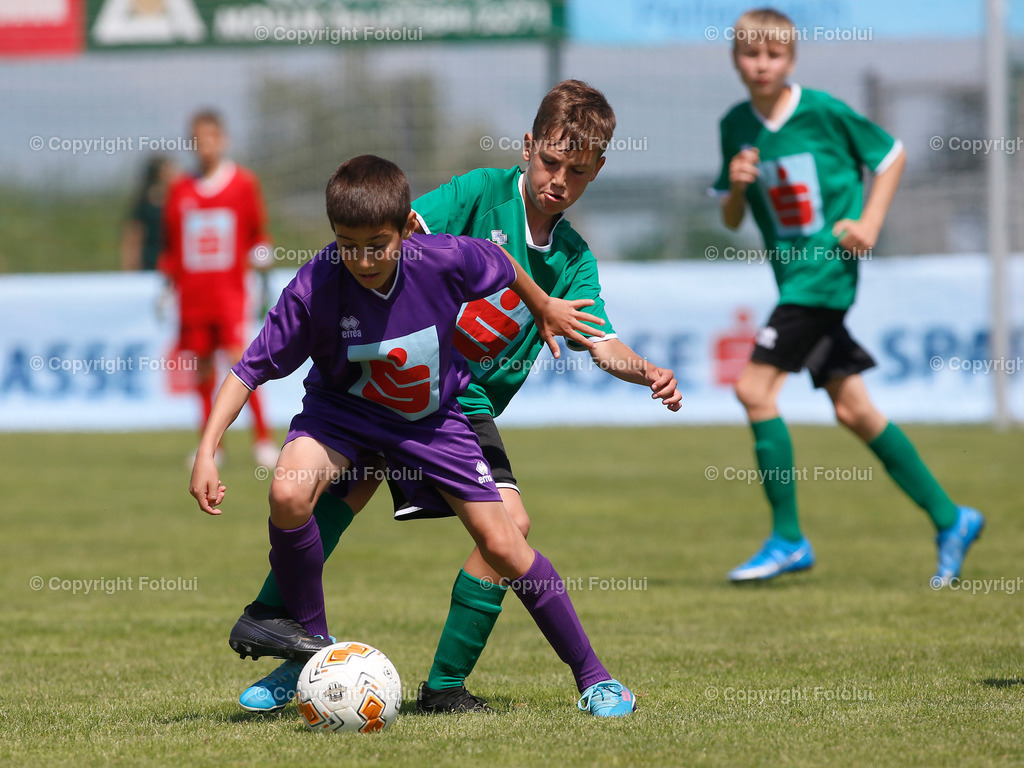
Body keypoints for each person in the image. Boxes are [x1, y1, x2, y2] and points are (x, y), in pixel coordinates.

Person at [229, 80, 682, 715]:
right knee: (335, 497)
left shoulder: (575, 260)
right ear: (527, 147)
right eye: (551, 162)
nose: (559, 180)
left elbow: (600, 342)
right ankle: (306, 659)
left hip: (458, 408)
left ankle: (441, 685)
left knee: (505, 531)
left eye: (577, 171)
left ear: (597, 170)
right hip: (381, 385)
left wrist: (645, 371)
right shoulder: (479, 194)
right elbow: (407, 228)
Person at [710, 8, 983, 583]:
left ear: (791, 59)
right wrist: (735, 189)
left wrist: (869, 222)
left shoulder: (823, 112)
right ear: (735, 60)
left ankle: (788, 539)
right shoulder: (734, 124)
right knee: (853, 408)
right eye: (751, 54)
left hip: (824, 273)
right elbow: (733, 219)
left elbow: (890, 156)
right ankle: (950, 516)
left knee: (753, 388)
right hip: (794, 280)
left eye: (774, 55)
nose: (762, 65)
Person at [160, 110, 278, 468]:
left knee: (242, 365)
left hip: (229, 296)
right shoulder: (180, 190)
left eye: (211, 136)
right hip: (193, 299)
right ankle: (211, 447)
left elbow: (259, 235)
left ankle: (262, 440)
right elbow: (173, 247)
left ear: (222, 139)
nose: (205, 145)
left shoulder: (243, 183)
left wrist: (261, 261)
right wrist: (168, 285)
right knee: (201, 372)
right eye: (197, 138)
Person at [121, 155, 176, 271]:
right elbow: (133, 236)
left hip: (171, 263)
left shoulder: (176, 201)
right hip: (149, 264)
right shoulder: (144, 205)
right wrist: (131, 266)